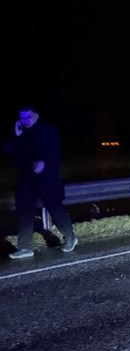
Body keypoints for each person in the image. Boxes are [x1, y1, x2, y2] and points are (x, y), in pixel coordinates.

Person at [4, 105, 77, 259]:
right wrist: (16, 135)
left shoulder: (46, 130)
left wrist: (43, 162)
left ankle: (70, 237)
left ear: (36, 116)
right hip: (26, 179)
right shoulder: (21, 133)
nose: (25, 120)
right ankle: (25, 248)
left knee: (55, 208)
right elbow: (7, 151)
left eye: (28, 117)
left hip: (47, 178)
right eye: (22, 118)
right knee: (25, 212)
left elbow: (53, 150)